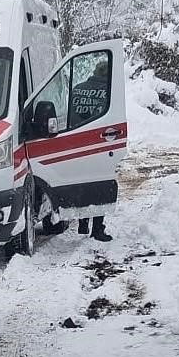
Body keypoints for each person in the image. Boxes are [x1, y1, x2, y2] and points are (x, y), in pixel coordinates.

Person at [69, 57, 114, 241]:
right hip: (99, 144)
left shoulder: (78, 88)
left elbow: (70, 116)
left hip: (76, 143)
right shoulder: (109, 92)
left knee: (81, 184)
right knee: (100, 187)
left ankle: (82, 221)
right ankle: (97, 228)